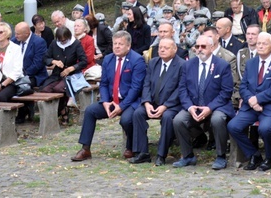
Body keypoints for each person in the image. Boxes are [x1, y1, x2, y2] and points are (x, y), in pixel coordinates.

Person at [72, 31, 146, 162]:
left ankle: (131, 147)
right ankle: (85, 148)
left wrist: (122, 106)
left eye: (120, 44)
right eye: (115, 44)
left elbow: (136, 88)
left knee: (127, 119)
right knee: (90, 111)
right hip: (111, 100)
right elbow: (104, 83)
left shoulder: (137, 60)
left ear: (128, 46)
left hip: (130, 101)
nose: (116, 47)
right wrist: (105, 102)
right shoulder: (108, 59)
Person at [228, 32, 271, 172]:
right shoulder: (251, 63)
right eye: (258, 43)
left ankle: (269, 157)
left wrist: (259, 99)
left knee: (264, 128)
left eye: (264, 43)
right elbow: (243, 86)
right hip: (251, 107)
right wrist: (251, 100)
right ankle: (254, 155)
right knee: (233, 126)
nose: (260, 46)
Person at [172, 35, 235, 169]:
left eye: (203, 47)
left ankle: (221, 156)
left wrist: (210, 108)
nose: (199, 49)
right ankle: (188, 156)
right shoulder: (188, 65)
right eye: (197, 46)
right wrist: (189, 107)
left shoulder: (222, 65)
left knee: (218, 120)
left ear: (212, 48)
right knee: (178, 120)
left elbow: (226, 92)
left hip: (217, 106)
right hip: (194, 106)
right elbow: (182, 89)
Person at [129, 38, 185, 166]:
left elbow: (180, 89)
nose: (162, 50)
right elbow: (146, 84)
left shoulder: (182, 65)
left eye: (166, 47)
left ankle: (161, 154)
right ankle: (142, 152)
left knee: (167, 117)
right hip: (153, 102)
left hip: (172, 105)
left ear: (175, 49)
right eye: (160, 47)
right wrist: (147, 103)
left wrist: (165, 106)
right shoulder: (153, 62)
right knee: (138, 113)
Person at [42, 26, 87, 125]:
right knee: (46, 89)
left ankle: (62, 111)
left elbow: (84, 61)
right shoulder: (54, 44)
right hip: (57, 74)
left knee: (59, 88)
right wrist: (54, 61)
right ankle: (58, 111)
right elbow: (45, 58)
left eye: (64, 40)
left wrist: (71, 68)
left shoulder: (76, 44)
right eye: (60, 40)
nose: (62, 42)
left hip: (71, 75)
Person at [12, 21, 48, 122]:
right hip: (17, 74)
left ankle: (24, 110)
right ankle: (21, 109)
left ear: (27, 33)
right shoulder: (14, 41)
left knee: (22, 85)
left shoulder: (39, 42)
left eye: (18, 34)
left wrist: (23, 75)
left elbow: (38, 64)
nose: (16, 36)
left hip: (34, 75)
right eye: (15, 33)